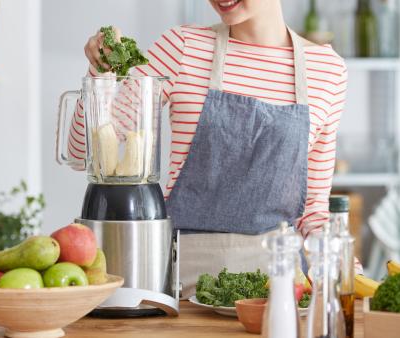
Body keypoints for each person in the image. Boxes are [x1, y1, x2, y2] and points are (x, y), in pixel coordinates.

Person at [72, 0, 350, 298]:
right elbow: (81, 154)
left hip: (278, 291)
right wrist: (99, 74)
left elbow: (314, 213)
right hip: (178, 284)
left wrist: (348, 272)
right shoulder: (182, 48)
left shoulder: (328, 71)